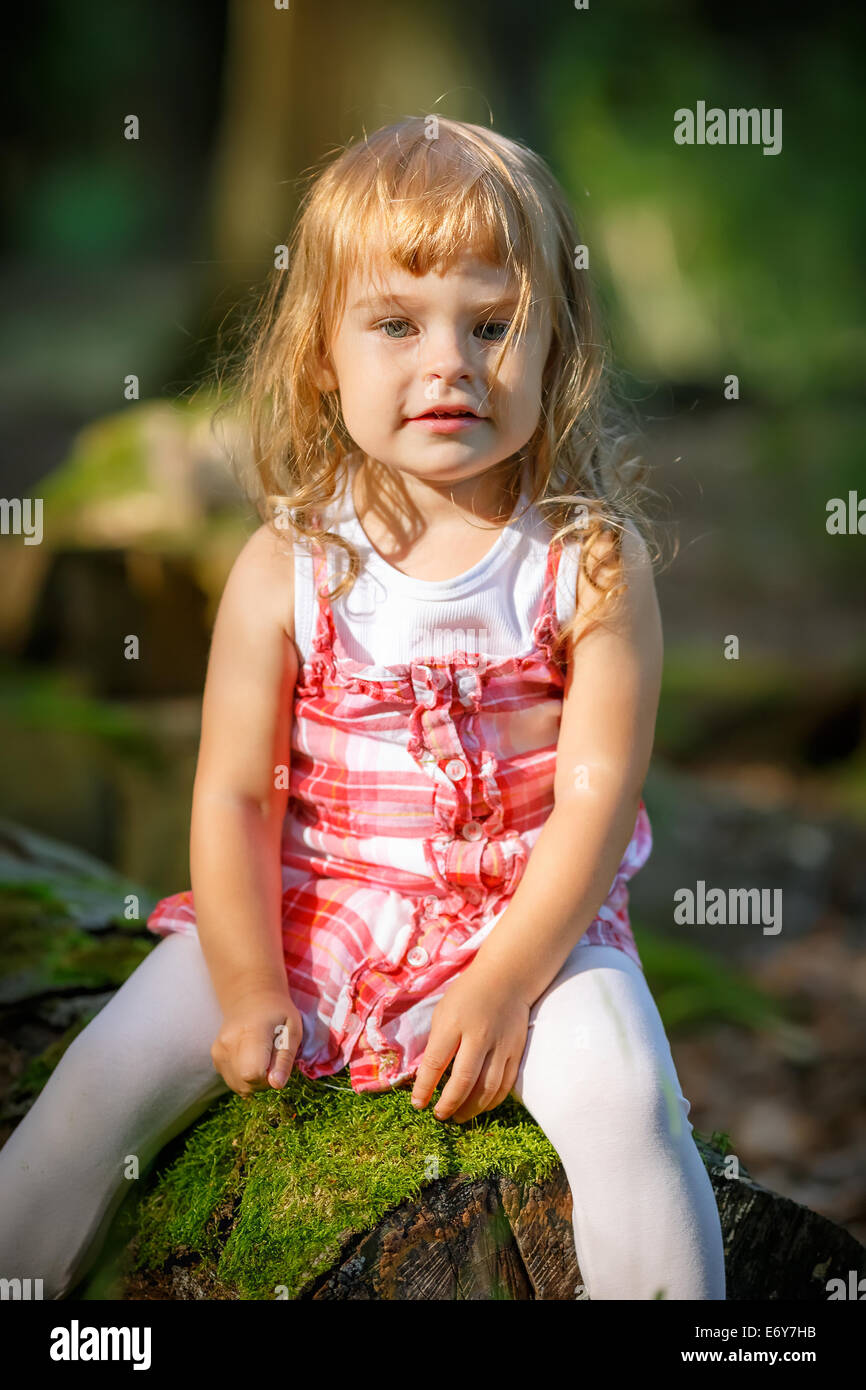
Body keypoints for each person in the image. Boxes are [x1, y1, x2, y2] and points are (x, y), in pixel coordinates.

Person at [0, 116, 726, 1300]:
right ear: (322, 359)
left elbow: (596, 801)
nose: (447, 363)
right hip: (305, 902)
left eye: (490, 326)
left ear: (555, 347)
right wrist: (245, 982)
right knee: (97, 1084)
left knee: (630, 1107)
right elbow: (235, 793)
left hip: (532, 921)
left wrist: (503, 981)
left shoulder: (586, 566)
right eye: (395, 324)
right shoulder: (285, 568)